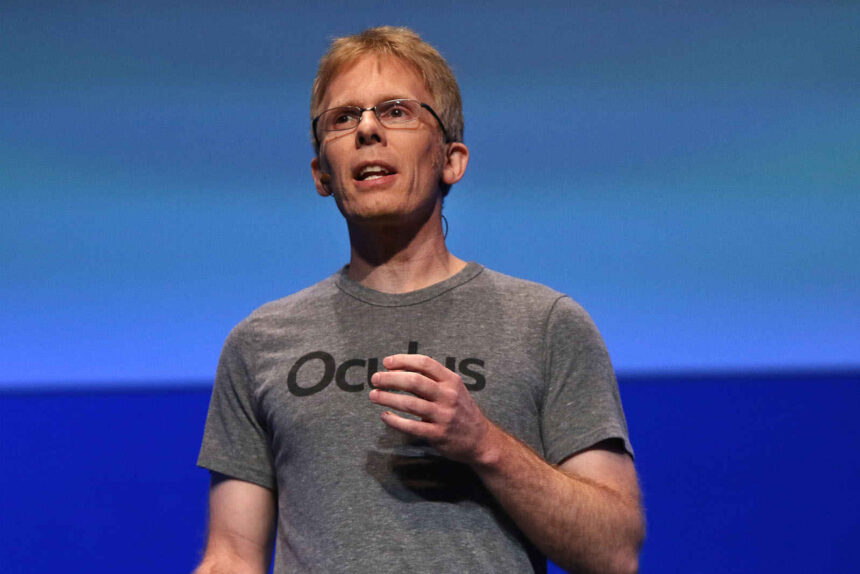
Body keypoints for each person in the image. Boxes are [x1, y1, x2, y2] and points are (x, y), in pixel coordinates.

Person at [195, 26, 644, 574]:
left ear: (451, 160)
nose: (367, 129)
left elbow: (614, 552)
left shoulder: (546, 325)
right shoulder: (259, 343)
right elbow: (232, 556)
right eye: (343, 118)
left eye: (396, 111)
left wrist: (484, 444)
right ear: (321, 174)